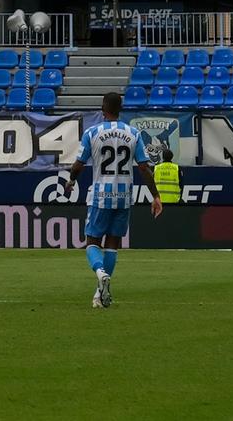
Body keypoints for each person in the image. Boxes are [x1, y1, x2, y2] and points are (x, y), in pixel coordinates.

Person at [67, 90, 162, 309]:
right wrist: (155, 195)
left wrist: (71, 180)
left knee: (92, 242)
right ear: (120, 109)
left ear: (103, 108)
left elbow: (79, 163)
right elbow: (144, 168)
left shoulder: (92, 132)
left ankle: (100, 273)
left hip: (100, 195)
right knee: (112, 244)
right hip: (124, 196)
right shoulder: (134, 133)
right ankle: (100, 294)